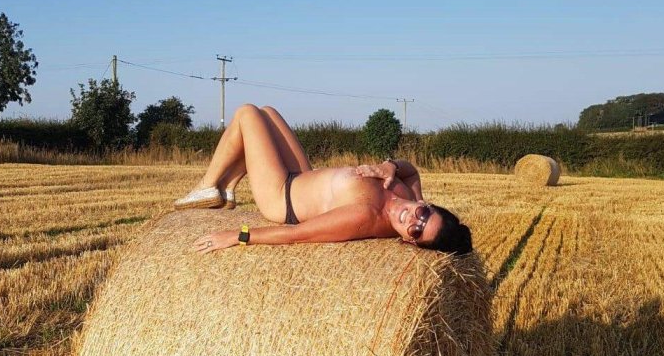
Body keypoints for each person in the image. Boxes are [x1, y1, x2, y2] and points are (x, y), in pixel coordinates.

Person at [175, 104, 472, 255]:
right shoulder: (405, 188)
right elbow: (412, 170)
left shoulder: (365, 215)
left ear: (411, 241)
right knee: (268, 113)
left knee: (247, 114)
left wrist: (237, 236)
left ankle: (208, 186)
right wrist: (390, 165)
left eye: (416, 232)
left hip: (283, 196)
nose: (412, 220)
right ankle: (226, 189)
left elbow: (298, 234)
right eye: (423, 215)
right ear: (426, 203)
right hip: (303, 175)